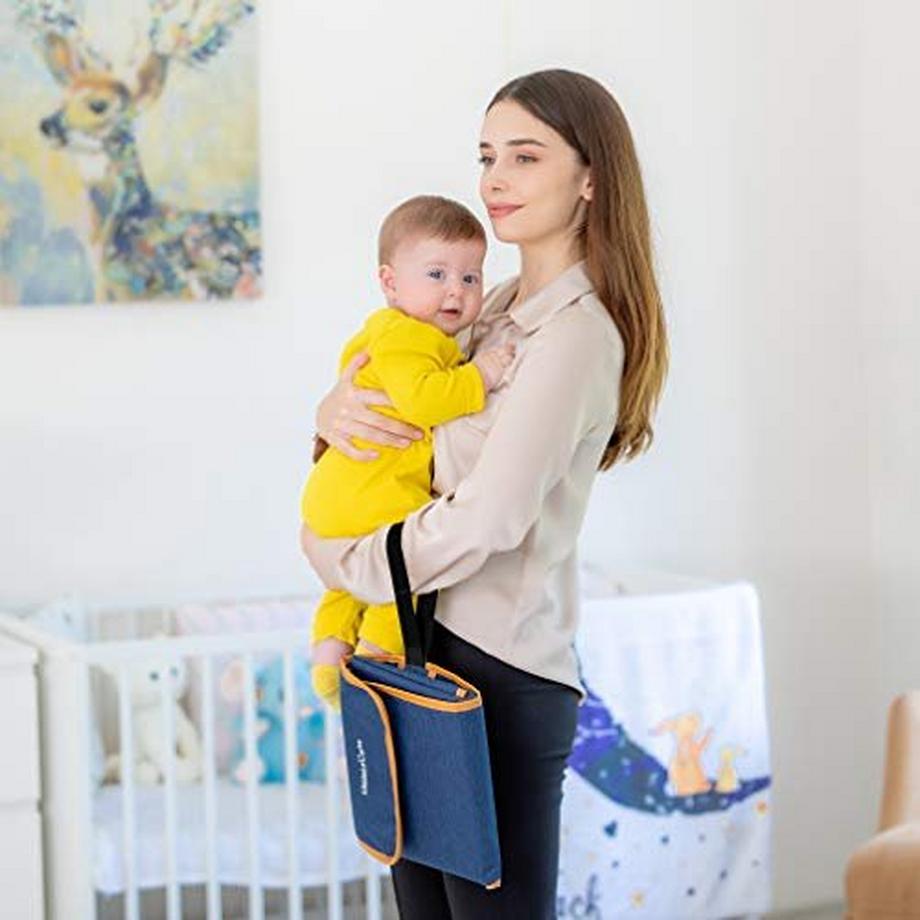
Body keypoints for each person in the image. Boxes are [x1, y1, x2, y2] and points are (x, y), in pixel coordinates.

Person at [301, 69, 669, 919]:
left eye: (525, 156)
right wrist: (327, 419)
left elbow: (492, 517)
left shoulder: (574, 335)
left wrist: (347, 562)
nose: (494, 179)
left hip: (496, 670)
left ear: (590, 179)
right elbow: (403, 443)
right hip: (419, 645)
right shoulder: (485, 310)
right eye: (487, 155)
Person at [300, 194, 515, 710]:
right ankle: (375, 662)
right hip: (375, 490)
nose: (456, 292)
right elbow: (424, 401)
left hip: (343, 492)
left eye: (470, 277)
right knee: (406, 575)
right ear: (390, 282)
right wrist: (481, 375)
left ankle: (329, 659)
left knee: (346, 585)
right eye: (436, 274)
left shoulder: (399, 333)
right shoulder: (407, 335)